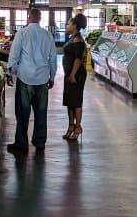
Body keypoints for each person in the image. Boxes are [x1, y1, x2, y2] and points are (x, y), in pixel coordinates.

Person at [6, 8, 57, 154]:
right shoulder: (47, 35)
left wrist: (10, 72)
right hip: (42, 79)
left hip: (25, 78)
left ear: (28, 18)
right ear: (40, 18)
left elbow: (14, 55)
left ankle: (22, 143)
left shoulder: (22, 33)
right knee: (41, 112)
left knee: (22, 113)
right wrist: (52, 77)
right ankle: (39, 142)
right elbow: (53, 58)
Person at [62, 14, 88, 141]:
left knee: (76, 101)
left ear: (75, 26)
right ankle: (71, 125)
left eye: (68, 23)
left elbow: (78, 59)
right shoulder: (73, 38)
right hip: (69, 74)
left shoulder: (78, 40)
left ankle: (77, 127)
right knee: (69, 101)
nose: (67, 25)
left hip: (76, 75)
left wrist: (72, 74)